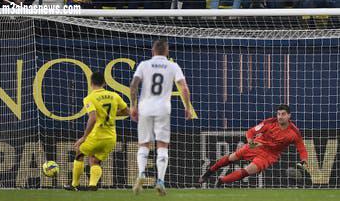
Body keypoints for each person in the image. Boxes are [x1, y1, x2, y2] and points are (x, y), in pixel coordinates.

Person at [130, 39, 192, 196]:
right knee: (162, 145)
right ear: (167, 51)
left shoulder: (144, 64)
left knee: (144, 143)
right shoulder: (173, 66)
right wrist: (187, 107)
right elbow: (184, 87)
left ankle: (142, 173)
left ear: (153, 51)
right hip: (163, 108)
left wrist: (133, 105)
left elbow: (133, 85)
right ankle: (160, 181)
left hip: (145, 107)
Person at [199, 104, 308, 186]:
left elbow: (301, 148)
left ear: (289, 115)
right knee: (232, 157)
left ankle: (222, 181)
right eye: (278, 114)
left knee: (249, 170)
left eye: (283, 114)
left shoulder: (294, 132)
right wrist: (251, 144)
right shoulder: (269, 123)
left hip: (269, 155)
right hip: (257, 145)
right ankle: (209, 173)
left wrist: (304, 159)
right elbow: (250, 132)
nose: (280, 116)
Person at [64, 72, 129, 191]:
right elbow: (126, 112)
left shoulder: (89, 98)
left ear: (91, 83)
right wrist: (111, 114)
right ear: (104, 83)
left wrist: (83, 137)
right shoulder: (114, 95)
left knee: (79, 152)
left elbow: (93, 118)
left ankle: (74, 185)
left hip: (97, 135)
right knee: (95, 160)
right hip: (111, 138)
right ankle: (92, 185)